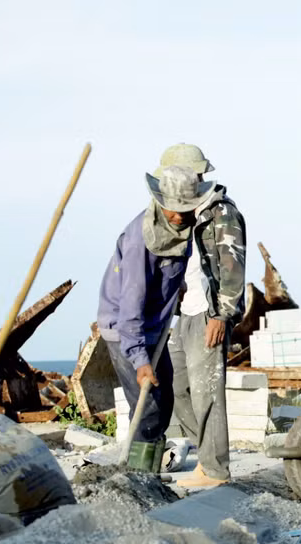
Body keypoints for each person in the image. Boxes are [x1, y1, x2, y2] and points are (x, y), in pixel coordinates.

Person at [97, 164, 214, 471]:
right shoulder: (140, 240)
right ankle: (138, 476)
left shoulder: (183, 228)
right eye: (174, 209)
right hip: (126, 331)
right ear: (161, 202)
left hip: (154, 326)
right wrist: (140, 361)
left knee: (163, 404)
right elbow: (130, 307)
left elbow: (169, 274)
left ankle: (150, 472)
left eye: (186, 209)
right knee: (147, 409)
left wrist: (178, 287)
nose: (180, 215)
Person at [158, 144, 247, 487]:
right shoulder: (185, 214)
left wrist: (222, 316)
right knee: (177, 385)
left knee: (207, 392)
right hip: (186, 313)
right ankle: (206, 454)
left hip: (209, 314)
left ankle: (215, 469)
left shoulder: (220, 213)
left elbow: (232, 267)